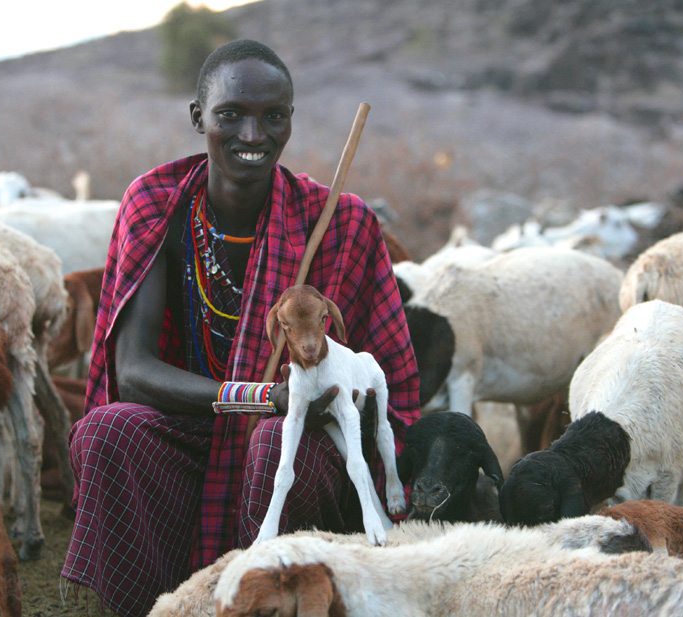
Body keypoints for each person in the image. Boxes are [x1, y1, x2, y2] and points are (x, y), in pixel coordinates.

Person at [60, 39, 419, 617]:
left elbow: (385, 390)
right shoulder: (157, 206)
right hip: (187, 430)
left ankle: (273, 602)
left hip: (303, 444)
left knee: (277, 441)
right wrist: (256, 398)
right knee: (107, 431)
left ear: (290, 121)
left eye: (272, 117)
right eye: (232, 115)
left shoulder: (343, 224)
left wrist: (299, 402)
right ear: (199, 117)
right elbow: (133, 371)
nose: (253, 136)